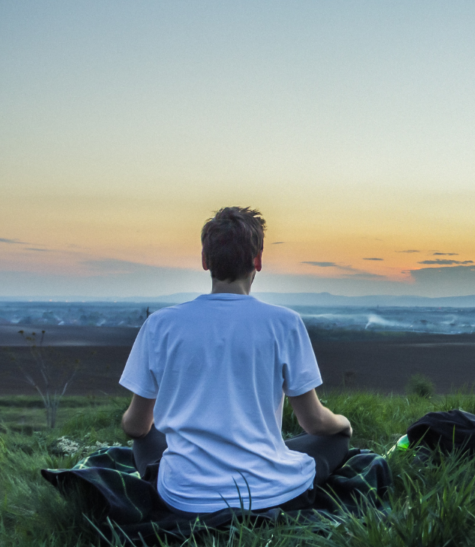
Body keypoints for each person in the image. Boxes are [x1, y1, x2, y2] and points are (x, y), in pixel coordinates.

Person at [119, 207, 352, 516]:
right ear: (257, 260)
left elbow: (135, 426)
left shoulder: (160, 325)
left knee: (146, 437)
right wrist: (343, 424)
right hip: (270, 492)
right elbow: (314, 423)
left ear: (205, 261)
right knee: (334, 440)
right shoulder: (285, 323)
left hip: (184, 497)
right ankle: (272, 461)